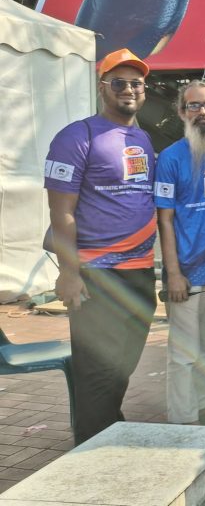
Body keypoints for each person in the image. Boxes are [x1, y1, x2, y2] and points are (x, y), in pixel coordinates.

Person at [45, 48, 157, 444]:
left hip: (140, 271)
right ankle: (92, 451)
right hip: (96, 274)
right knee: (96, 370)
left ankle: (106, 430)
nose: (128, 89)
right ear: (102, 87)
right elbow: (61, 211)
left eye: (136, 83)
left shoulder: (142, 138)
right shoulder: (76, 136)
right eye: (119, 82)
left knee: (122, 364)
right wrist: (69, 272)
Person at [155, 80, 205, 427]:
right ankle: (183, 422)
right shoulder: (170, 158)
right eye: (194, 105)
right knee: (183, 353)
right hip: (185, 273)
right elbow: (164, 219)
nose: (202, 112)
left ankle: (203, 407)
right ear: (181, 112)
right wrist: (172, 273)